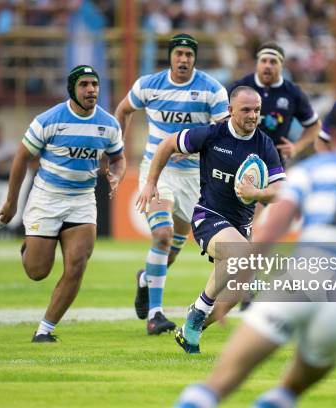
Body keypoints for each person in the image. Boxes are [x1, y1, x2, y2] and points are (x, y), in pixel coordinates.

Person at [175, 101, 336, 407]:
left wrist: (241, 281)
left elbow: (271, 231)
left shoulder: (315, 170)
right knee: (289, 390)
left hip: (297, 284)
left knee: (218, 384)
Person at [137, 86, 286, 353]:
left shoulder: (264, 144)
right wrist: (150, 183)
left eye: (257, 111)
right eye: (246, 110)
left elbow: (281, 193)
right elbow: (167, 144)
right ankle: (198, 309)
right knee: (240, 254)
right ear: (230, 111)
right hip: (209, 216)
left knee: (237, 291)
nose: (253, 116)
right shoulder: (212, 134)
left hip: (242, 225)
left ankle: (191, 330)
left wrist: (257, 193)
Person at [0, 65, 125, 343]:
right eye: (84, 85)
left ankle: (45, 329)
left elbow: (118, 157)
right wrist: (11, 202)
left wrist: (118, 173)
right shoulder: (48, 120)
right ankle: (30, 247)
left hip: (82, 200)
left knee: (77, 264)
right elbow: (21, 158)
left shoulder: (109, 124)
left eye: (95, 84)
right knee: (37, 272)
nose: (91, 90)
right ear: (72, 89)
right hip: (47, 197)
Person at [115, 33, 229, 335]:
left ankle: (145, 280)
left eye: (189, 55)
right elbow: (124, 110)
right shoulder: (148, 85)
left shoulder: (212, 90)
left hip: (194, 177)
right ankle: (155, 315)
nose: (183, 59)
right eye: (179, 53)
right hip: (156, 171)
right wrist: (118, 153)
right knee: (162, 236)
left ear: (195, 58)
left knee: (174, 249)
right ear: (170, 56)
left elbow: (222, 135)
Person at [228, 42, 321, 163]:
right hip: (237, 161)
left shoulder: (293, 93)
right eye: (264, 61)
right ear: (257, 64)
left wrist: (296, 147)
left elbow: (314, 125)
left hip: (274, 165)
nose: (267, 66)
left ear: (281, 65)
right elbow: (219, 117)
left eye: (273, 62)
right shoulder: (239, 87)